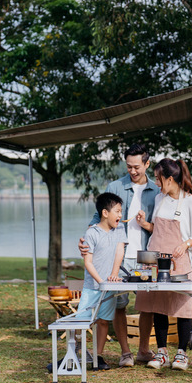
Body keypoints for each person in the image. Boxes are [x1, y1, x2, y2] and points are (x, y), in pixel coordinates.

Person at [80, 143, 159, 366]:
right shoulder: (114, 186)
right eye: (128, 167)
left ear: (147, 163)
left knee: (147, 305)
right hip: (119, 257)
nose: (132, 171)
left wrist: (146, 223)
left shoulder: (157, 191)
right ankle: (126, 352)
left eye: (137, 167)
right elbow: (98, 219)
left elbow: (159, 226)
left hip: (147, 255)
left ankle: (144, 350)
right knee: (119, 304)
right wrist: (86, 239)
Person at [133, 158, 192, 371]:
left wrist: (185, 244)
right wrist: (143, 223)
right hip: (155, 260)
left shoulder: (191, 201)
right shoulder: (159, 198)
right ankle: (162, 352)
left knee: (183, 306)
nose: (156, 183)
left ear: (170, 178)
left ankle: (182, 354)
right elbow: (156, 229)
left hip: (178, 261)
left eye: (158, 179)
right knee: (158, 304)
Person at [75, 192, 126, 371]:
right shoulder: (91, 233)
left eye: (121, 211)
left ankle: (97, 355)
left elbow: (120, 252)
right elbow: (87, 262)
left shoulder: (120, 230)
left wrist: (113, 275)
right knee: (82, 321)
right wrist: (101, 281)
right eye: (117, 211)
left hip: (109, 286)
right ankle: (76, 352)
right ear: (105, 213)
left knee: (104, 321)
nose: (120, 215)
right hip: (92, 287)